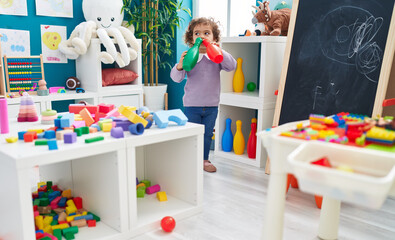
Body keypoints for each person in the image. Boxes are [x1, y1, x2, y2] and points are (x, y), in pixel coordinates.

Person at [170, 17, 237, 173]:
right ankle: (191, 158)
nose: (201, 36)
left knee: (207, 134)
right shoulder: (189, 56)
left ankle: (204, 160)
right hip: (192, 105)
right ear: (191, 38)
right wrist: (179, 66)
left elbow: (231, 66)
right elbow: (176, 78)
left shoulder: (216, 57)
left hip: (212, 105)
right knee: (193, 134)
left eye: (206, 33)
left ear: (214, 37)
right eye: (197, 33)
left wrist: (219, 50)